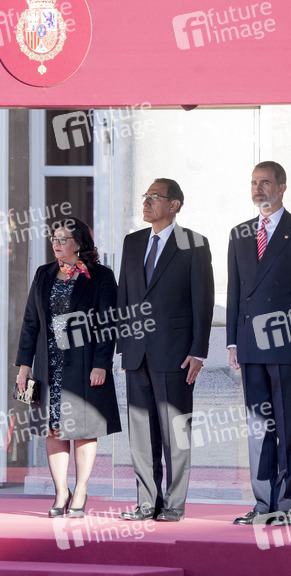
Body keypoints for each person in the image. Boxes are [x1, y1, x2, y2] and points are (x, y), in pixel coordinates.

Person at [227, 161, 291, 526]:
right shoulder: (239, 233)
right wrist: (233, 343)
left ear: (282, 187)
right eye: (254, 182)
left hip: (287, 347)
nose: (258, 189)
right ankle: (262, 503)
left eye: (265, 183)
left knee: (286, 426)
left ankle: (284, 504)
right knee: (258, 428)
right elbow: (235, 292)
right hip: (250, 346)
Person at [117, 178, 214, 522]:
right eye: (145, 196)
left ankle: (173, 505)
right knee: (141, 435)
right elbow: (124, 296)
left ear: (174, 205)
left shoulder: (194, 244)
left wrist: (198, 351)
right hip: (136, 353)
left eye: (154, 197)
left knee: (176, 433)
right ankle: (147, 503)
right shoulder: (132, 243)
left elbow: (203, 300)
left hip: (175, 354)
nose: (146, 202)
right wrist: (123, 346)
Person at [16, 217, 121, 518]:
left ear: (80, 243)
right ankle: (61, 491)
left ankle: (82, 489)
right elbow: (31, 323)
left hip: (85, 363)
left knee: (84, 428)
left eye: (63, 238)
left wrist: (101, 364)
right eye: (54, 238)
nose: (57, 243)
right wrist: (24, 366)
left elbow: (108, 324)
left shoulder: (100, 276)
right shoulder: (44, 273)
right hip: (49, 364)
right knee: (54, 429)